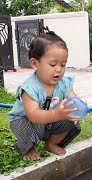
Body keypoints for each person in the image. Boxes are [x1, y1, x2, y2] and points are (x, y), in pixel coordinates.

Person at [7, 27, 81, 160]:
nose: (59, 70)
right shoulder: (30, 88)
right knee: (25, 129)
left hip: (48, 121)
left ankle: (51, 144)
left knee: (69, 121)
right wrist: (57, 114)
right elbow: (34, 115)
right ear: (35, 64)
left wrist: (78, 107)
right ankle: (27, 147)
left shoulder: (63, 84)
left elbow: (73, 100)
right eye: (53, 65)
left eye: (63, 65)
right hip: (26, 121)